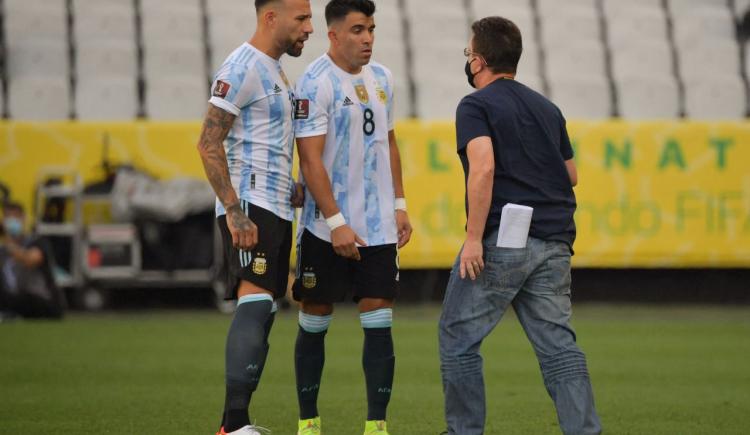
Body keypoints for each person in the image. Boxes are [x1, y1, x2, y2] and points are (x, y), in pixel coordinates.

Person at [438, 16, 602, 435]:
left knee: (459, 336)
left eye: (468, 54)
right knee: (558, 346)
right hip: (556, 239)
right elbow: (571, 174)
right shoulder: (547, 108)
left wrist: (474, 238)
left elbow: (484, 167)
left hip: (506, 236)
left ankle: (464, 432)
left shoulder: (474, 105)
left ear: (478, 60)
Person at [291, 1, 412, 434]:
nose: (368, 39)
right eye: (358, 30)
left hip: (378, 226)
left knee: (378, 315)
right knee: (316, 315)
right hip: (326, 228)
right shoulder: (315, 82)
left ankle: (376, 426)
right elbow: (310, 159)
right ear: (334, 35)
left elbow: (389, 143)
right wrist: (335, 219)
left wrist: (398, 205)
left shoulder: (383, 78)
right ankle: (309, 422)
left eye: (372, 29)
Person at [195, 1, 312, 434]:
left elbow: (263, 140)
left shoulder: (277, 71)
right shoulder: (242, 66)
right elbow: (208, 143)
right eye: (301, 19)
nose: (309, 28)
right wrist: (233, 210)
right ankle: (237, 424)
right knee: (256, 303)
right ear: (270, 18)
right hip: (250, 204)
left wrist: (291, 187)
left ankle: (231, 425)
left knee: (264, 310)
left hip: (276, 204)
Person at [0, 202, 64, 320]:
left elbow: (30, 260)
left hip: (43, 302)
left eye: (15, 217)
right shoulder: (3, 250)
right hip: (16, 300)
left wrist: (9, 243)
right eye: (7, 217)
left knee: (24, 299)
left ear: (23, 218)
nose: (10, 221)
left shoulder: (37, 241)